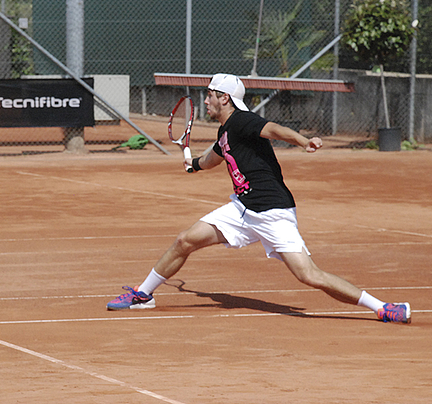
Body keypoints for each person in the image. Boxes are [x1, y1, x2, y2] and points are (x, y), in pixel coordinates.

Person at [107, 73, 411, 324]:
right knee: (185, 239)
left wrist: (304, 140)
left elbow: (273, 129)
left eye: (210, 94)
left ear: (224, 97)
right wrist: (194, 165)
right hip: (242, 208)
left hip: (272, 210)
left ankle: (382, 307)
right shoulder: (227, 132)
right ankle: (142, 295)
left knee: (309, 275)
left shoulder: (242, 121)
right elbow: (213, 158)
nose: (206, 100)